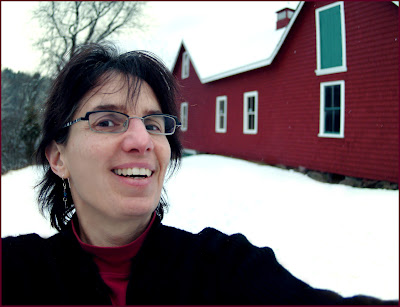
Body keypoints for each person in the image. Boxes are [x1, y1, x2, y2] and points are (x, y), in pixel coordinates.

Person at [2, 43, 397, 305]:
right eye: (107, 121)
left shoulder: (224, 272)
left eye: (155, 124)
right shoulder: (16, 274)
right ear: (57, 157)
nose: (142, 140)